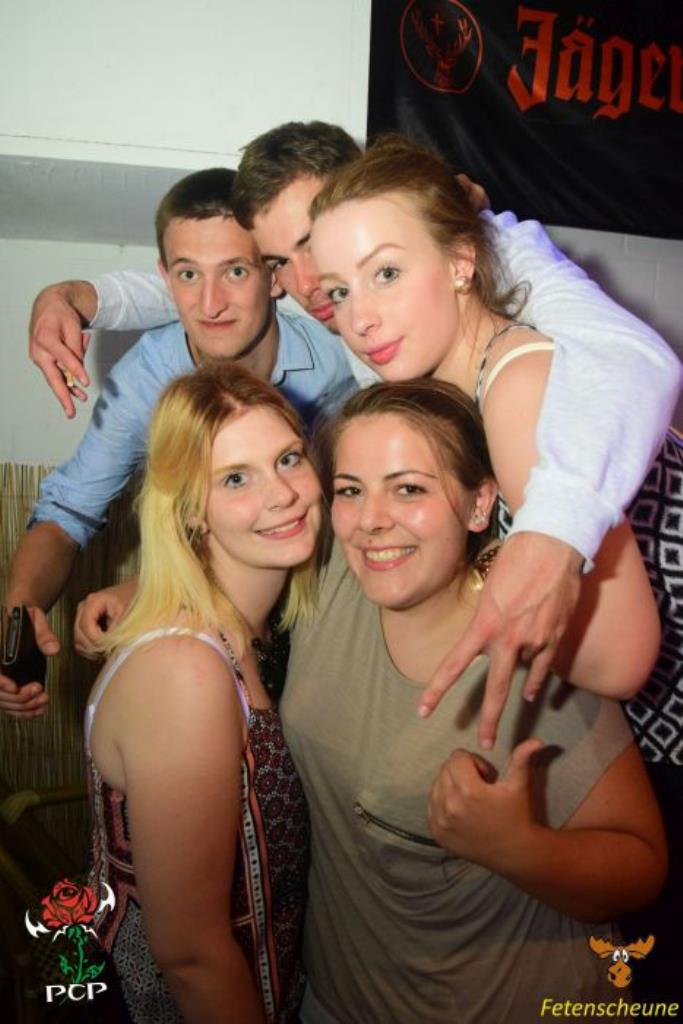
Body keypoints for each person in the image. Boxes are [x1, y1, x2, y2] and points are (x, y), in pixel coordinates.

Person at [24, 121, 680, 739]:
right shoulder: (376, 325)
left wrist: (533, 544)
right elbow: (214, 284)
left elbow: (635, 358)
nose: (314, 287)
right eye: (284, 263)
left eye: (372, 269)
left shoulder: (506, 331)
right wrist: (80, 297)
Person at [279, 378, 667, 1022]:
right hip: (335, 999)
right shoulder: (334, 577)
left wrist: (517, 847)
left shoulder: (532, 646)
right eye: (350, 490)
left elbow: (641, 867)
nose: (371, 520)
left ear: (479, 503)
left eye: (409, 489)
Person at [0, 166, 354, 716]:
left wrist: (150, 591)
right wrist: (19, 611)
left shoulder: (339, 354)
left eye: (235, 270)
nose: (210, 304)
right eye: (189, 274)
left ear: (273, 276)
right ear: (165, 280)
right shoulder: (145, 380)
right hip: (220, 628)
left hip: (329, 598)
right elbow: (68, 511)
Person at [86, 360, 320, 1023]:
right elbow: (189, 953)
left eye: (289, 458)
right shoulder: (185, 671)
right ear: (191, 509)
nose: (283, 493)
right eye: (236, 478)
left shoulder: (262, 629)